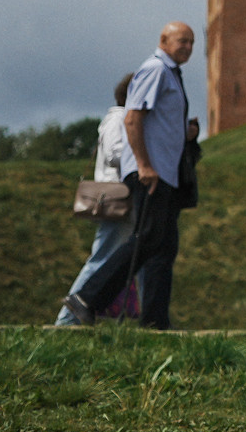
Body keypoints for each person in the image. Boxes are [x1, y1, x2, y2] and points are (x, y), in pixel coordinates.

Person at [77, 23, 194, 330]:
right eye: (182, 41)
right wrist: (143, 165)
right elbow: (132, 118)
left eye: (192, 43)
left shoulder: (169, 74)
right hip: (150, 173)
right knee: (146, 239)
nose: (188, 47)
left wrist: (185, 132)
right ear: (164, 40)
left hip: (164, 173)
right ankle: (88, 298)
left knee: (163, 246)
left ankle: (155, 321)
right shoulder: (155, 69)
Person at [55, 75, 138, 326]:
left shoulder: (122, 119)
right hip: (117, 198)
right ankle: (68, 318)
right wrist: (144, 153)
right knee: (102, 258)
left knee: (113, 257)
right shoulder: (118, 119)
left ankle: (79, 316)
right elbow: (115, 154)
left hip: (120, 197)